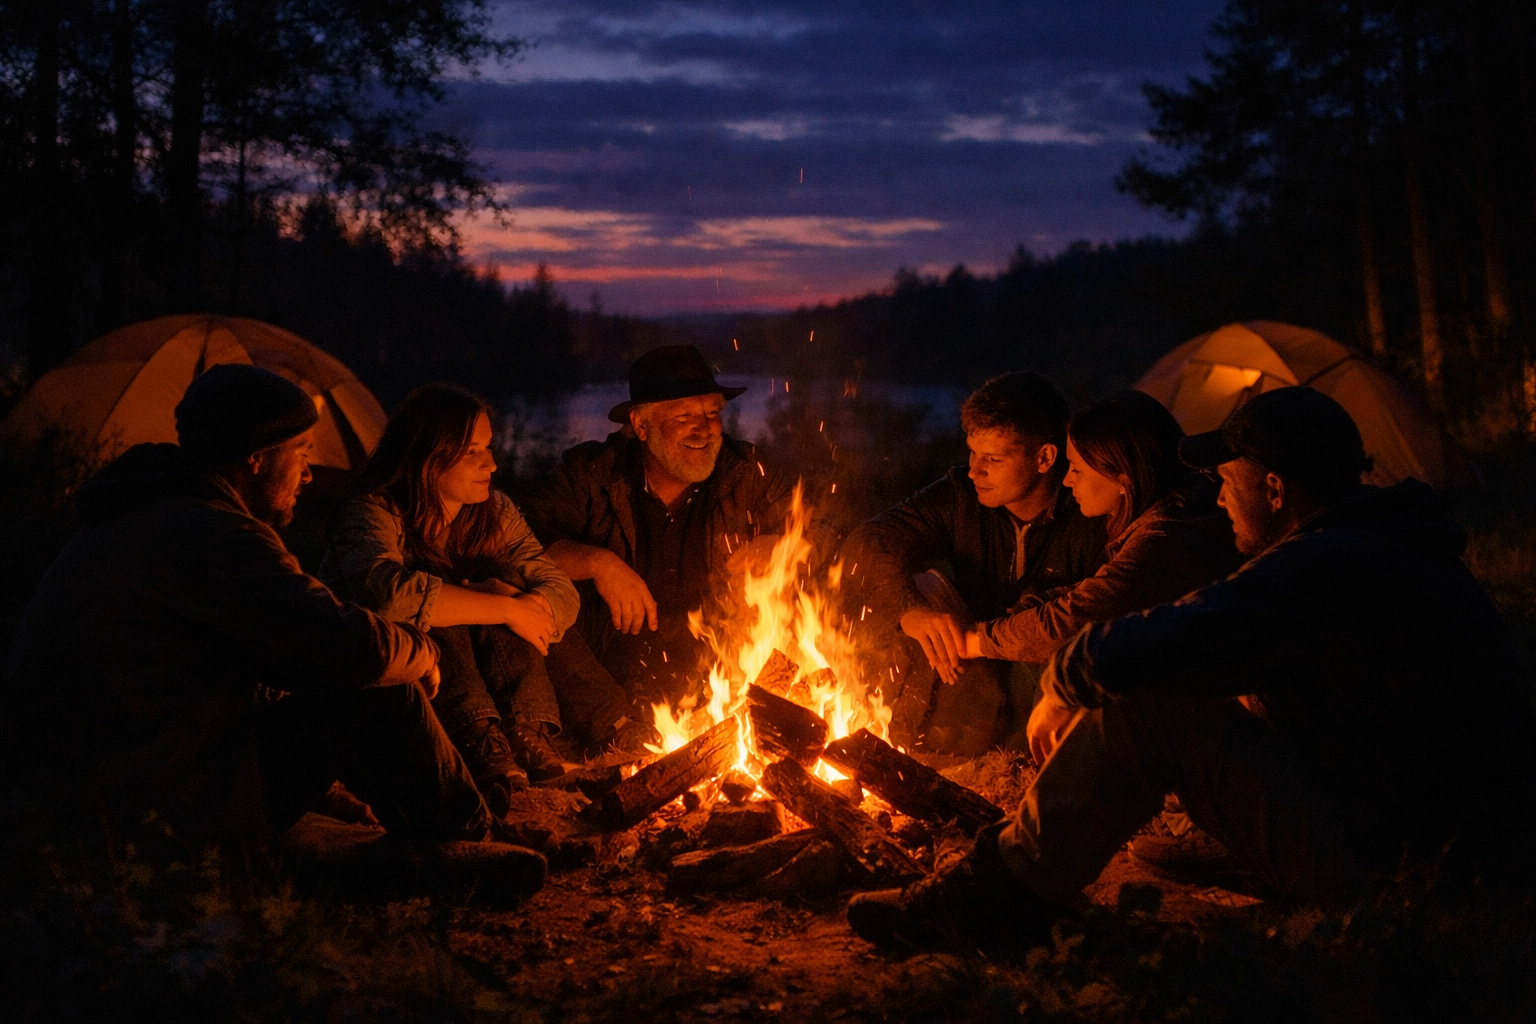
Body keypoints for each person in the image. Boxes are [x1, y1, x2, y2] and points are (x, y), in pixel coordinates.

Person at [846, 387, 1536, 948]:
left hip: (1406, 865)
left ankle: (1000, 894)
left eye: (1227, 482)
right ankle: (1250, 847)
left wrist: (1067, 676)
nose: (1217, 497)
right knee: (1190, 687)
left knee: (1146, 709)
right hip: (1412, 826)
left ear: (1274, 489)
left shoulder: (1331, 563)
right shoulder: (1375, 543)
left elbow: (1187, 632)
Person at [2, 365, 544, 901]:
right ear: (256, 458)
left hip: (100, 787)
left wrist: (321, 787)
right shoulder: (209, 534)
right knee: (379, 688)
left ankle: (417, 838)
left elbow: (254, 674)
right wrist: (422, 652)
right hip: (146, 807)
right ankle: (473, 839)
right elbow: (351, 649)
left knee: (342, 690)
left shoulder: (145, 518)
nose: (309, 474)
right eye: (301, 452)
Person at [521, 344, 800, 744]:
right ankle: (617, 729)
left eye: (711, 414)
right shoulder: (592, 475)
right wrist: (597, 562)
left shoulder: (745, 471)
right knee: (535, 601)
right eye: (684, 416)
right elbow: (519, 542)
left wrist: (783, 542)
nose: (703, 429)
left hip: (713, 670)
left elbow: (822, 530)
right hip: (611, 666)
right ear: (641, 425)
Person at [320, 384, 581, 809]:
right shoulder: (373, 510)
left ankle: (527, 734)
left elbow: (560, 589)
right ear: (428, 456)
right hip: (371, 680)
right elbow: (387, 595)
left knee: (502, 578)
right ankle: (476, 738)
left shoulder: (494, 510)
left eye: (488, 447)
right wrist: (502, 607)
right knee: (438, 588)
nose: (491, 464)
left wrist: (514, 602)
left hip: (472, 675)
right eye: (471, 452)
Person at [839, 372, 1106, 755]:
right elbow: (867, 542)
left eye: (993, 459)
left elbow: (1089, 618)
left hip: (1043, 665)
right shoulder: (962, 496)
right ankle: (903, 742)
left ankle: (1026, 762)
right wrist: (910, 611)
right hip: (967, 657)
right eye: (972, 453)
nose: (974, 470)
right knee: (908, 591)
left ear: (1045, 458)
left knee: (1064, 661)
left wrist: (989, 638)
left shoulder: (1089, 510)